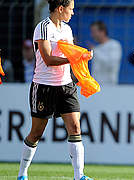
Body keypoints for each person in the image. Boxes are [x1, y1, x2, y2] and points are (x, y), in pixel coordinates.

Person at [17, 1, 93, 180]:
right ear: (61, 9)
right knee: (36, 132)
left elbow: (71, 54)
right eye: (71, 9)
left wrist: (82, 61)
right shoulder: (43, 28)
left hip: (66, 85)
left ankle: (79, 176)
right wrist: (74, 59)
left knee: (75, 127)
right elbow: (49, 59)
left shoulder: (67, 29)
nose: (73, 13)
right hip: (44, 86)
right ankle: (22, 173)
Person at [90, 21, 122, 85]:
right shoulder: (97, 48)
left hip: (109, 86)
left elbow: (111, 64)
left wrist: (95, 52)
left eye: (94, 32)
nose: (92, 35)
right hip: (96, 86)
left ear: (102, 32)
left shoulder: (114, 45)